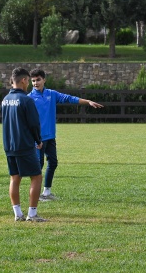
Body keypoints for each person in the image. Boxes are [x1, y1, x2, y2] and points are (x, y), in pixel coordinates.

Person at [28, 68, 104, 201]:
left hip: (50, 137)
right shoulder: (28, 99)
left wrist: (87, 102)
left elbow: (69, 98)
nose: (35, 83)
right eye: (33, 81)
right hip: (37, 139)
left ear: (44, 80)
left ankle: (46, 193)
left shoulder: (51, 94)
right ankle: (36, 195)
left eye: (38, 80)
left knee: (53, 163)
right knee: (38, 166)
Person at [2, 68, 47, 222]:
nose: (29, 83)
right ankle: (32, 215)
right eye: (28, 80)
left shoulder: (5, 99)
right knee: (36, 176)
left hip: (9, 144)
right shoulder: (27, 100)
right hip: (24, 144)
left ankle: (18, 214)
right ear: (23, 80)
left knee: (15, 178)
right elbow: (34, 124)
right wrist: (38, 140)